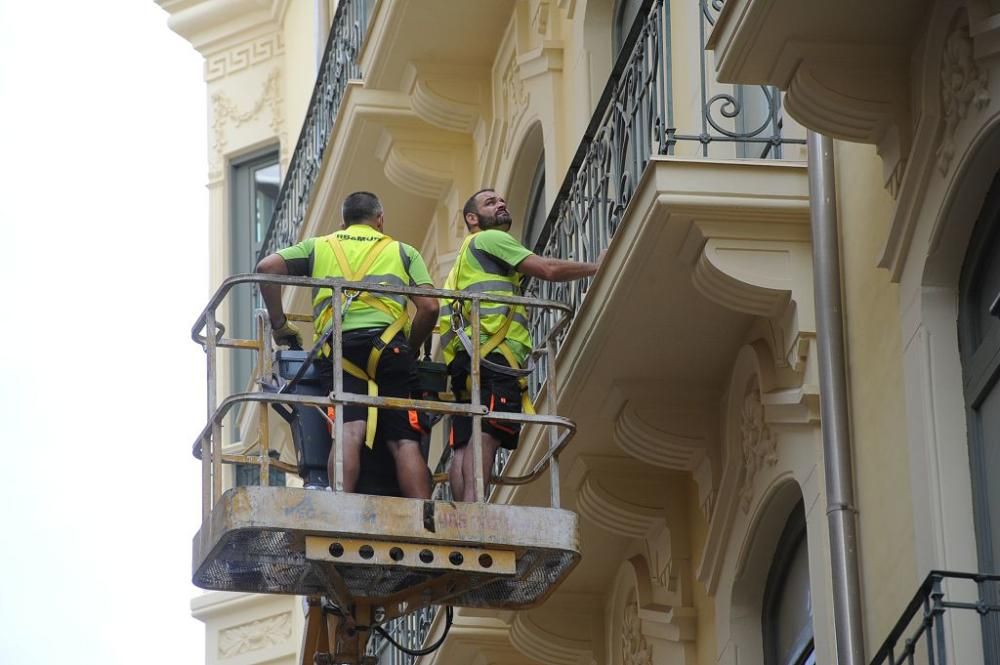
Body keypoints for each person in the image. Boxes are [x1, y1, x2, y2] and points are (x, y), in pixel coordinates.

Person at [257, 191, 439, 499]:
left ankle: (341, 505)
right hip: (390, 348)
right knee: (404, 439)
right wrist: (409, 347)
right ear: (379, 219)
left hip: (341, 351)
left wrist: (279, 325)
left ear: (344, 222)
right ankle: (423, 516)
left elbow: (266, 268)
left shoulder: (320, 246)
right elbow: (430, 308)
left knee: (349, 430)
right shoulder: (403, 251)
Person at [440, 188, 602, 501]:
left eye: (502, 200)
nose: (500, 203)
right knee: (487, 432)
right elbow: (548, 269)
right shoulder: (490, 239)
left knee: (464, 438)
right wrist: (595, 267)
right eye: (490, 202)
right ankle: (476, 513)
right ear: (472, 219)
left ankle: (461, 515)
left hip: (467, 360)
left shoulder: (461, 264)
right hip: (494, 357)